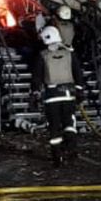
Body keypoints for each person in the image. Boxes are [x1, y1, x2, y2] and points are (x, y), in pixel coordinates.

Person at [34, 24, 78, 162]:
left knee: (54, 126)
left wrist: (35, 92)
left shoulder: (43, 55)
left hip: (51, 96)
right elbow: (78, 73)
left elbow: (37, 77)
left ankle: (57, 155)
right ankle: (71, 148)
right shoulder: (69, 53)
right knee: (69, 122)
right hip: (68, 94)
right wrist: (80, 90)